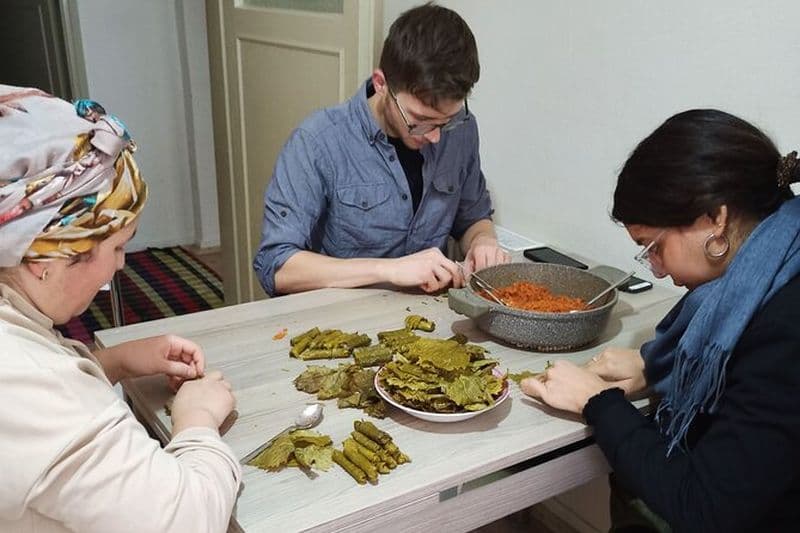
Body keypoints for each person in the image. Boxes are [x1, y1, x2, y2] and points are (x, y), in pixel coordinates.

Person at [521, 109, 800, 532]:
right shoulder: (766, 266)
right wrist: (657, 367)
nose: (655, 270)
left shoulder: (784, 328)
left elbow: (703, 507)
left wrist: (596, 402)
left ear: (715, 219)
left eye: (653, 246)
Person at [0, 86, 241, 532]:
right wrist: (197, 420)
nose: (122, 264)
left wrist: (111, 362)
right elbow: (187, 521)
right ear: (42, 262)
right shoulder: (29, 388)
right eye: (116, 247)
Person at [252, 2, 510, 297]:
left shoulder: (462, 130)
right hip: (340, 324)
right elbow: (276, 265)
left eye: (447, 121)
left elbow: (472, 217)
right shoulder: (317, 142)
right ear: (381, 83)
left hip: (426, 318)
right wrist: (388, 269)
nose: (436, 136)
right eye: (421, 121)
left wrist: (483, 241)